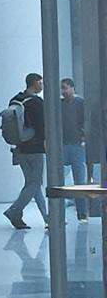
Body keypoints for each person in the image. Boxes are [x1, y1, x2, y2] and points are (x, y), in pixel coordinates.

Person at [3, 71, 46, 232]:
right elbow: (42, 126)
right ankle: (13, 211)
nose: (42, 85)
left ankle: (47, 218)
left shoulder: (15, 99)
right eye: (41, 82)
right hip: (35, 149)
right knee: (34, 184)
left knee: (32, 184)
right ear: (35, 83)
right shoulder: (37, 102)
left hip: (20, 148)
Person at [58, 76, 91, 221]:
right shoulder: (60, 104)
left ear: (72, 88)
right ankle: (59, 214)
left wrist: (84, 137)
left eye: (65, 88)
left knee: (80, 181)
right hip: (64, 144)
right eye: (62, 88)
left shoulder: (80, 103)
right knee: (60, 180)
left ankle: (82, 213)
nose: (63, 91)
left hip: (77, 144)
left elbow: (86, 121)